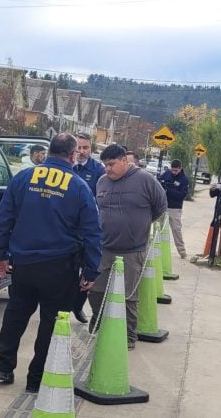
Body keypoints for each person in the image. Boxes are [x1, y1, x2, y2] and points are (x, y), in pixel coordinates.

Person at [0, 133, 103, 393]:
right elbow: (92, 232)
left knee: (15, 315)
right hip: (59, 267)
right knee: (51, 324)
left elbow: (3, 218)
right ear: (73, 155)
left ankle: (5, 366)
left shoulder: (23, 178)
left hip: (24, 264)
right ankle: (35, 380)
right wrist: (90, 269)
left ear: (49, 151)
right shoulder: (78, 186)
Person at [88, 144, 167, 350]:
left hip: (133, 249)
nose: (108, 169)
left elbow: (160, 207)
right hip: (105, 247)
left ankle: (128, 336)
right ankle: (100, 321)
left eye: (112, 164)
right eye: (105, 165)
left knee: (128, 296)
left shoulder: (145, 180)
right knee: (95, 290)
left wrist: (139, 225)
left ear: (125, 161)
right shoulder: (102, 182)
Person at [71, 132, 105, 324]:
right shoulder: (68, 167)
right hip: (67, 228)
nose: (82, 152)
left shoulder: (98, 170)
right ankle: (63, 305)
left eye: (86, 148)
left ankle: (78, 304)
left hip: (87, 230)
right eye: (79, 148)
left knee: (88, 270)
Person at [158, 159, 189, 258]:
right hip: (163, 206)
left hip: (175, 208)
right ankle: (155, 247)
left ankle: (182, 252)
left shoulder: (184, 179)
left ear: (180, 169)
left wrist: (168, 190)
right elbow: (158, 183)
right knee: (158, 227)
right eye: (173, 170)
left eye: (176, 170)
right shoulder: (166, 174)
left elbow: (181, 195)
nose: (174, 172)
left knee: (176, 229)